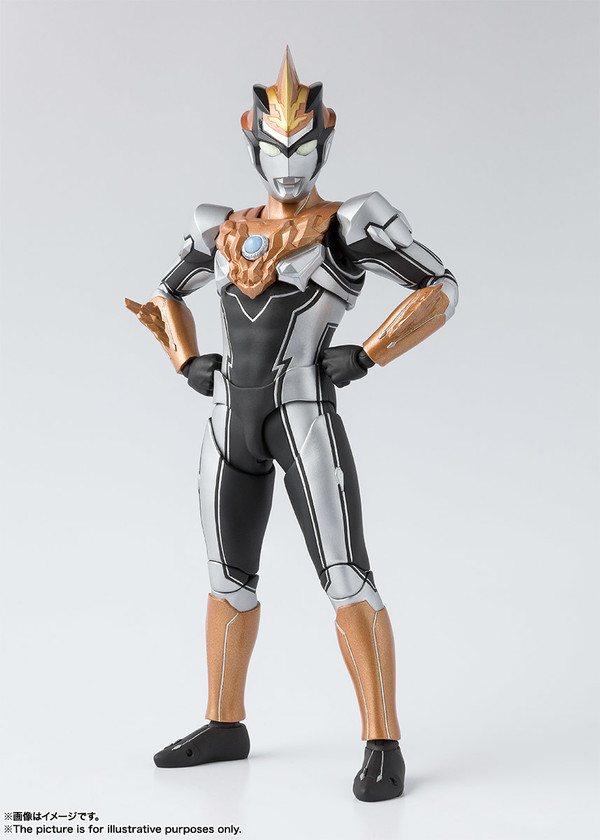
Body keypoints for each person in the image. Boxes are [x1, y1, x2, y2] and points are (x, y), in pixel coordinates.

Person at [126, 47, 458, 802]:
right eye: (274, 151)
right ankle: (224, 723)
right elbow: (167, 292)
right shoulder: (219, 226)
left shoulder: (350, 222)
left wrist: (367, 354)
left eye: (300, 150)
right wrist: (185, 360)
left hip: (303, 411)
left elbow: (439, 288)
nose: (287, 167)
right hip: (228, 419)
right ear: (251, 139)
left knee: (344, 574)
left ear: (324, 139)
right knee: (226, 577)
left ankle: (383, 740)